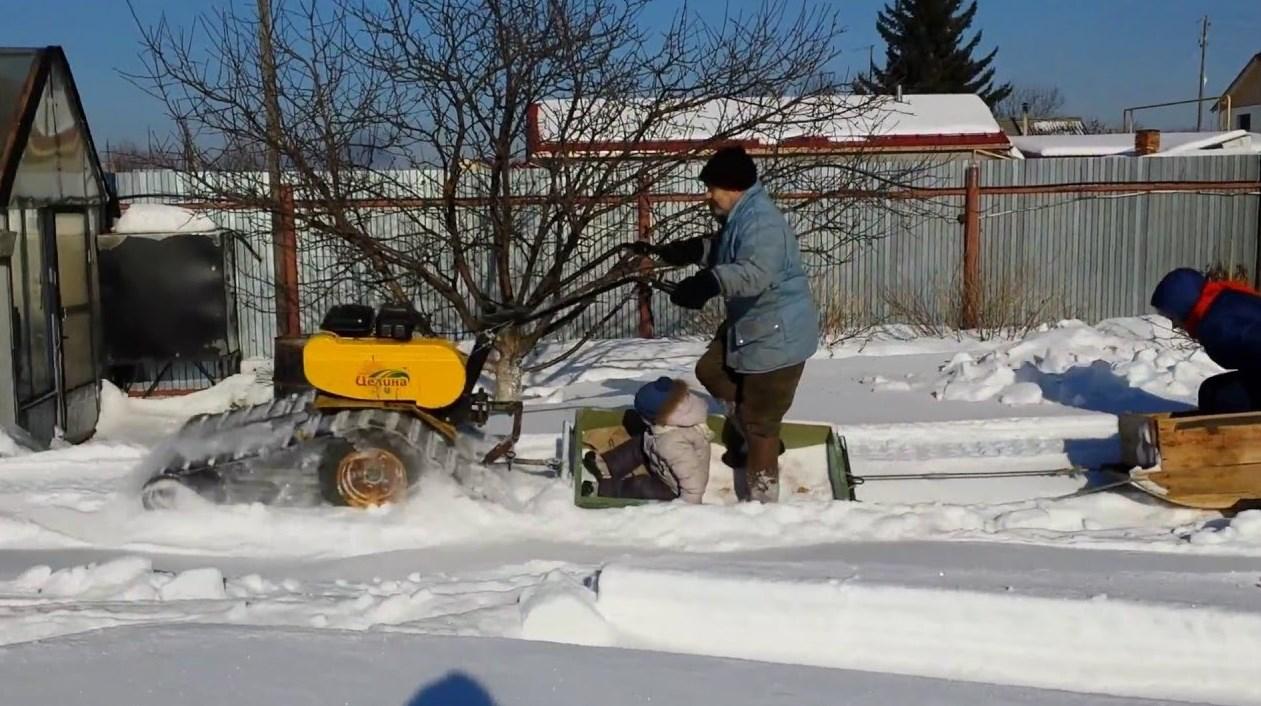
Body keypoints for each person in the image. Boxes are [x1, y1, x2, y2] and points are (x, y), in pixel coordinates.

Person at [633, 145, 819, 502]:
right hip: (753, 325)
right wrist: (685, 251)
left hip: (776, 337)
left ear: (732, 187)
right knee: (710, 369)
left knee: (762, 424)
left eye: (712, 187)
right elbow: (726, 249)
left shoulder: (762, 222)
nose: (708, 196)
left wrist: (710, 282)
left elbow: (754, 271)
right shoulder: (744, 217)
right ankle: (749, 431)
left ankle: (763, 502)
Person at [583, 377, 713, 503]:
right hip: (665, 462)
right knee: (639, 443)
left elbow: (694, 481)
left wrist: (688, 503)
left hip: (673, 487)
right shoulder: (683, 407)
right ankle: (610, 465)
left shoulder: (671, 444)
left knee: (641, 487)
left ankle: (609, 491)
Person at [1151, 267, 1261, 413]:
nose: (1175, 326)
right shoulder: (1224, 300)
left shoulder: (1219, 325)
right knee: (1210, 391)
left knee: (1222, 399)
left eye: (1172, 318)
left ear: (1184, 309)